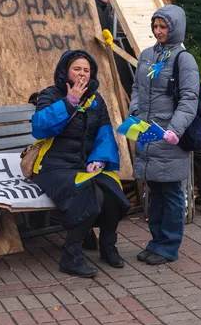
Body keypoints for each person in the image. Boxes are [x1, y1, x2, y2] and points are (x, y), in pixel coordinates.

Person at [31, 49, 130, 278]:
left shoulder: (96, 101)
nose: (82, 74)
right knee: (89, 195)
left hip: (83, 165)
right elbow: (39, 128)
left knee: (113, 191)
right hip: (53, 166)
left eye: (87, 70)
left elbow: (105, 134)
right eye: (77, 69)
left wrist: (98, 159)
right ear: (66, 71)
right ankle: (71, 255)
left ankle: (107, 246)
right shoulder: (50, 95)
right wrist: (70, 102)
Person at [130, 4, 199, 265]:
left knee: (170, 191)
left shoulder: (184, 59)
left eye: (163, 27)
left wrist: (175, 129)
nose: (158, 31)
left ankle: (168, 246)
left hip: (170, 135)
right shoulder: (147, 55)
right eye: (155, 26)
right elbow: (137, 87)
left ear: (174, 28)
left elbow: (190, 98)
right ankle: (155, 241)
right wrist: (135, 111)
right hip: (147, 133)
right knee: (154, 190)